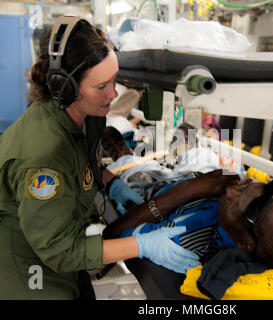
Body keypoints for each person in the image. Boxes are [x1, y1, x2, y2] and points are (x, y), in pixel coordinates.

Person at [0, 16, 207, 300]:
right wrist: (142, 245)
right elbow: (60, 251)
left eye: (114, 81)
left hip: (61, 237)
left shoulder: (87, 117)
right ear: (65, 88)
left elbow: (84, 160)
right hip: (30, 263)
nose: (113, 94)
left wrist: (111, 183)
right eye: (101, 87)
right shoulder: (43, 157)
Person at [103, 174, 273, 268]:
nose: (232, 190)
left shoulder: (183, 238)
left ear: (243, 244)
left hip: (151, 189)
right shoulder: (249, 220)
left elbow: (112, 235)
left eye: (236, 201)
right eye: (246, 185)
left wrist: (190, 188)